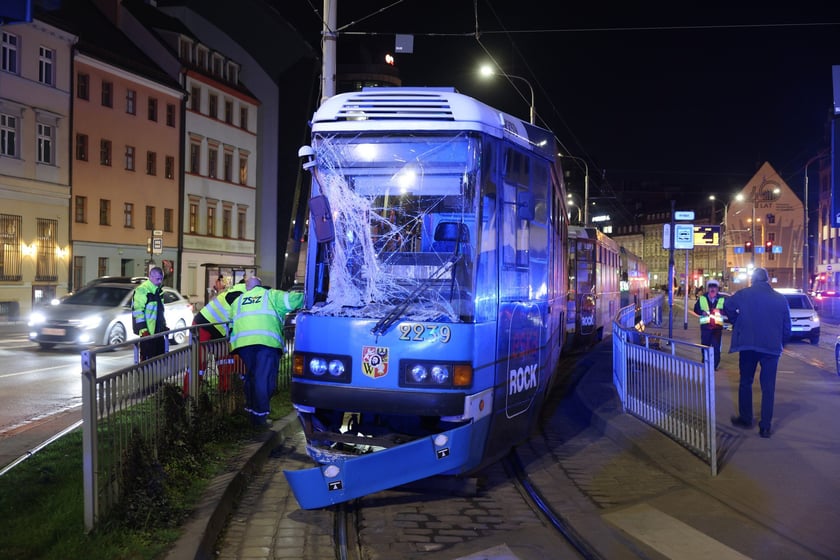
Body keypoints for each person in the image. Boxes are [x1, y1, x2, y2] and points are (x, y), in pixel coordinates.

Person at [723, 267, 791, 438]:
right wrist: (781, 342)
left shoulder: (743, 294)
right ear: (767, 280)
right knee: (768, 387)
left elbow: (727, 305)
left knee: (746, 381)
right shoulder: (780, 299)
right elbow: (787, 327)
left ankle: (746, 418)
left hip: (748, 345)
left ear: (752, 280)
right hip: (771, 348)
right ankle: (765, 426)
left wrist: (735, 320)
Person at [230, 276, 303, 426]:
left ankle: (251, 410)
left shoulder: (238, 301)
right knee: (264, 379)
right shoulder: (271, 295)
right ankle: (260, 416)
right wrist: (312, 295)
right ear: (261, 286)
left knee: (251, 377)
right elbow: (296, 299)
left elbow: (231, 324)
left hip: (243, 345)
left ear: (247, 287)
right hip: (267, 343)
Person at [132, 266, 168, 360]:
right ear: (150, 277)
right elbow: (138, 311)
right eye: (157, 279)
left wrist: (163, 326)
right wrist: (143, 330)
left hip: (158, 332)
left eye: (161, 279)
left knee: (159, 360)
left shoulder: (159, 291)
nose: (160, 281)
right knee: (147, 361)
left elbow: (160, 311)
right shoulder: (143, 290)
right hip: (148, 333)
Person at [693, 279, 727, 370]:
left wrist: (721, 311)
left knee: (716, 347)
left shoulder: (722, 299)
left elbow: (727, 310)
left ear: (717, 289)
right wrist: (701, 312)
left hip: (717, 328)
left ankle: (714, 365)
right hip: (706, 327)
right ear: (708, 288)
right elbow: (695, 309)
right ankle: (705, 362)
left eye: (714, 287)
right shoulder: (702, 298)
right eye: (711, 287)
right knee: (705, 346)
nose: (712, 289)